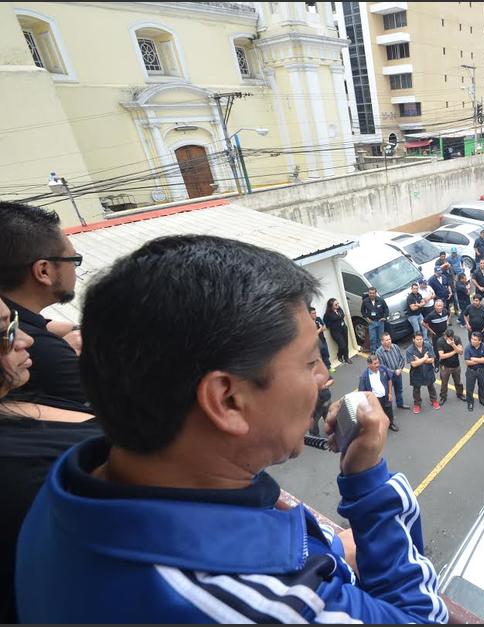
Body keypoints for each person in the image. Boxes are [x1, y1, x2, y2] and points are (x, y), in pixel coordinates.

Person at [15, 235, 448, 624]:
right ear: (226, 400)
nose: (322, 378)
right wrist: (369, 485)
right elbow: (420, 618)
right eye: (309, 362)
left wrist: (332, 552)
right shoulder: (262, 601)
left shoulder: (70, 491)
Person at [0, 297, 99, 623]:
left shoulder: (14, 399)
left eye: (17, 322)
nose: (26, 339)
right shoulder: (27, 477)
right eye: (7, 332)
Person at [0, 202, 86, 410]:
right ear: (44, 271)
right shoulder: (44, 352)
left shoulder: (19, 319)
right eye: (73, 260)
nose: (24, 340)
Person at [358, 354, 397, 431]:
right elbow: (362, 392)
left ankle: (390, 424)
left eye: (378, 362)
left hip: (386, 396)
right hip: (375, 399)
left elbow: (389, 380)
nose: (377, 365)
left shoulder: (383, 368)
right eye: (375, 363)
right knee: (377, 414)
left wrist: (390, 393)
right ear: (369, 365)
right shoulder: (364, 376)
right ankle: (380, 427)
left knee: (389, 411)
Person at [407, 332, 439, 413]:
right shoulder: (409, 350)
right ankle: (417, 404)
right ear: (413, 340)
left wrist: (419, 360)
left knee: (431, 386)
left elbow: (432, 359)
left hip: (428, 371)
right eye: (417, 339)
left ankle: (434, 400)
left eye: (421, 339)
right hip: (416, 373)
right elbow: (414, 364)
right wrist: (425, 358)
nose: (419, 341)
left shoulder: (427, 345)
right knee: (416, 389)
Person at [376, 332, 408, 410]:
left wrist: (400, 369)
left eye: (389, 339)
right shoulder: (379, 352)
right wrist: (394, 372)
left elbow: (402, 359)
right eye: (386, 340)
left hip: (398, 373)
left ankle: (400, 404)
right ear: (382, 342)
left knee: (399, 390)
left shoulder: (395, 347)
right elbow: (382, 367)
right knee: (387, 393)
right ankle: (388, 409)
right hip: (387, 377)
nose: (389, 341)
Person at [436, 329, 465, 406]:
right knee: (444, 383)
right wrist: (455, 351)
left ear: (453, 336)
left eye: (450, 338)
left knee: (458, 382)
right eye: (446, 337)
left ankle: (460, 394)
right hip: (444, 366)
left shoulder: (457, 339)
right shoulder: (440, 341)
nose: (448, 339)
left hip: (456, 365)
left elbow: (461, 352)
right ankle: (443, 397)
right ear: (444, 335)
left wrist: (453, 345)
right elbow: (442, 356)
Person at [463, 332, 484, 411]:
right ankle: (470, 402)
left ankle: (483, 400)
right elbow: (468, 362)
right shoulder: (468, 348)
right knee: (469, 388)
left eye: (475, 340)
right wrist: (481, 360)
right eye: (472, 339)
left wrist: (475, 359)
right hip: (471, 371)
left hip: (482, 370)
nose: (472, 341)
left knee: (482, 386)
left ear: (480, 341)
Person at [423, 299, 450, 370]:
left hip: (445, 334)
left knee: (446, 348)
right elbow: (423, 323)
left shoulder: (445, 311)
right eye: (437, 306)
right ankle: (437, 365)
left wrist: (447, 321)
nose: (439, 307)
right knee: (436, 351)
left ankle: (445, 362)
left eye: (441, 306)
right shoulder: (431, 315)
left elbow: (449, 314)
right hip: (436, 335)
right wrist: (431, 331)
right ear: (434, 307)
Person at [323, 298, 352, 364]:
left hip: (343, 328)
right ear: (331, 306)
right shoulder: (328, 314)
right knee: (342, 345)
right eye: (336, 304)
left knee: (346, 343)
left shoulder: (339, 309)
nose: (338, 305)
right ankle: (339, 355)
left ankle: (346, 357)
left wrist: (338, 317)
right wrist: (333, 323)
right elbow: (326, 322)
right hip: (336, 332)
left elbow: (343, 315)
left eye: (338, 303)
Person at [360, 287, 389, 352]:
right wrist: (367, 318)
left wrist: (385, 317)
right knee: (372, 338)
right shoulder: (365, 301)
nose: (371, 294)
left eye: (373, 293)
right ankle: (374, 352)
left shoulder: (381, 300)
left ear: (375, 293)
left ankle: (381, 351)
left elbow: (386, 309)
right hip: (371, 322)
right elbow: (362, 311)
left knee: (380, 337)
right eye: (370, 293)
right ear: (368, 293)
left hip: (380, 322)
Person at [310, 306, 333, 373]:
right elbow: (313, 334)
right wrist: (320, 329)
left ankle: (328, 367)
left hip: (322, 340)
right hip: (315, 343)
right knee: (318, 357)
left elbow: (325, 328)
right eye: (313, 313)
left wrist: (319, 330)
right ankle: (321, 371)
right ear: (309, 314)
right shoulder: (308, 323)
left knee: (325, 353)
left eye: (315, 312)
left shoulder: (318, 319)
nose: (315, 314)